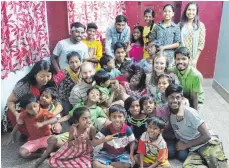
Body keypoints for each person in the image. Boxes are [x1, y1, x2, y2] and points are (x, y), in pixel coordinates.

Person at [165, 83, 228, 168]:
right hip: (194, 149)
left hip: (208, 144)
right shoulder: (169, 113)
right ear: (166, 98)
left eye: (178, 97)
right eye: (172, 97)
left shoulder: (190, 112)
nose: (175, 100)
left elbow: (207, 136)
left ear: (182, 98)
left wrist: (186, 145)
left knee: (220, 165)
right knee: (188, 166)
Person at [6, 60, 63, 138]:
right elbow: (10, 101)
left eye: (48, 76)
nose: (45, 79)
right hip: (28, 112)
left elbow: (59, 105)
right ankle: (26, 131)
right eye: (42, 76)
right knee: (29, 130)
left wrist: (50, 117)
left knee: (56, 129)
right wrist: (17, 114)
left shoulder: (51, 84)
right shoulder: (24, 85)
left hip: (46, 112)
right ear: (35, 74)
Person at [6, 94, 56, 159]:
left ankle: (45, 151)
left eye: (35, 106)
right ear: (25, 109)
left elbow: (55, 119)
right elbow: (18, 125)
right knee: (22, 152)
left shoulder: (44, 112)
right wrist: (12, 135)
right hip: (33, 140)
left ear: (38, 103)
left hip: (46, 138)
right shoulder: (23, 115)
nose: (34, 110)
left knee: (57, 143)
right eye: (30, 109)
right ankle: (41, 155)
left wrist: (43, 123)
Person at [139, 94, 188, 161]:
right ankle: (174, 148)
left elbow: (182, 100)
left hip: (179, 135)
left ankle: (183, 147)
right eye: (145, 104)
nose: (148, 105)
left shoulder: (163, 109)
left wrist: (181, 110)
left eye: (150, 103)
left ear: (155, 104)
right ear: (142, 108)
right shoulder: (144, 120)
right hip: (166, 140)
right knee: (170, 153)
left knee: (183, 156)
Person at [36, 87, 109, 131]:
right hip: (75, 130)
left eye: (97, 94)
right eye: (92, 93)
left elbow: (106, 119)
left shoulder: (98, 109)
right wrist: (55, 121)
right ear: (87, 96)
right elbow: (67, 117)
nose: (94, 95)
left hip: (89, 132)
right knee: (55, 141)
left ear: (99, 99)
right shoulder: (79, 105)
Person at [180, 2, 206, 68]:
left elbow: (201, 44)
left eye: (193, 10)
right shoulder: (180, 25)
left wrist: (195, 59)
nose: (191, 12)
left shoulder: (200, 26)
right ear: (186, 11)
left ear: (196, 12)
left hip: (192, 58)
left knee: (191, 76)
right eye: (189, 9)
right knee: (180, 76)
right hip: (180, 57)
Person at [57, 51, 82, 115]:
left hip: (79, 96)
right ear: (68, 63)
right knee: (70, 117)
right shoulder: (63, 72)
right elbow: (55, 83)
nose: (74, 64)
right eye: (71, 62)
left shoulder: (83, 70)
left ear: (80, 61)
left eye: (76, 61)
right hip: (65, 98)